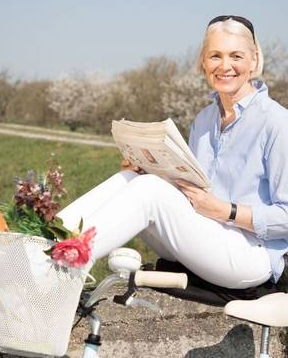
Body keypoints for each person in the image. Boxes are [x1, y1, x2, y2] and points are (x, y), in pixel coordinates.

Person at [58, 15, 288, 289]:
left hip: (250, 254)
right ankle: (43, 242)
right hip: (202, 236)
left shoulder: (276, 123)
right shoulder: (204, 120)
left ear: (254, 60)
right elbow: (190, 188)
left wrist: (226, 211)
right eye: (215, 56)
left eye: (236, 56)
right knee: (133, 180)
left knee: (149, 191)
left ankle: (63, 266)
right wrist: (151, 168)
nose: (225, 66)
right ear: (203, 62)